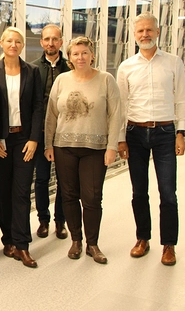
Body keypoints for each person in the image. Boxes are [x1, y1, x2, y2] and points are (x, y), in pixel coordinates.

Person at [116, 12, 185, 266]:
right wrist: (120, 139)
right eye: (140, 31)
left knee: (168, 192)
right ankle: (142, 238)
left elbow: (182, 98)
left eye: (149, 30)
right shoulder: (126, 67)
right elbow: (121, 105)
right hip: (135, 133)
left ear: (158, 32)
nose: (145, 34)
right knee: (139, 191)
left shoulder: (173, 62)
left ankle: (169, 245)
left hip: (165, 133)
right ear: (134, 35)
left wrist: (181, 133)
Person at [44, 36, 121, 264]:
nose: (80, 57)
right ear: (69, 57)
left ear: (92, 54)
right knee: (68, 195)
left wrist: (112, 146)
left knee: (92, 197)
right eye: (75, 53)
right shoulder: (61, 81)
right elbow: (51, 115)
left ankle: (93, 244)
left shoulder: (106, 80)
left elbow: (116, 115)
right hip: (64, 147)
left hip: (95, 149)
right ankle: (76, 241)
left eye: (84, 53)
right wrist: (49, 144)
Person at [0, 27, 43, 268]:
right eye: (9, 40)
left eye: (18, 41)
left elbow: (38, 107)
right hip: (1, 141)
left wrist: (34, 139)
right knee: (4, 191)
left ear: (23, 45)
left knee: (21, 192)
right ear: (1, 43)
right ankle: (8, 240)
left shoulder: (32, 71)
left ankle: (22, 245)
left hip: (24, 140)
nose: (14, 44)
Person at [30, 24, 70, 239]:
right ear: (41, 42)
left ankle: (60, 222)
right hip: (42, 133)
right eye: (47, 39)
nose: (51, 43)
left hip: (65, 134)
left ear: (61, 42)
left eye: (55, 39)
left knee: (64, 181)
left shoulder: (71, 68)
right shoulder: (33, 68)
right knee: (42, 179)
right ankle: (43, 220)